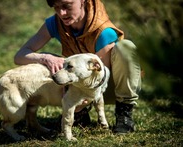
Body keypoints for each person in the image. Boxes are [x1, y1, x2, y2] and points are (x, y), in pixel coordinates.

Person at [14, 0, 141, 134]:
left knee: (126, 47)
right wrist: (46, 58)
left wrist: (76, 99)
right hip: (78, 82)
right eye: (56, 8)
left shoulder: (103, 31)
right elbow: (20, 56)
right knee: (49, 60)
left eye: (66, 6)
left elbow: (97, 82)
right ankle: (79, 115)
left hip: (108, 88)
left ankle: (124, 113)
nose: (61, 13)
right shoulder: (55, 23)